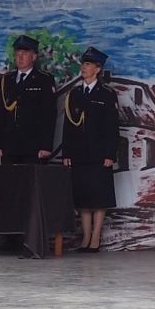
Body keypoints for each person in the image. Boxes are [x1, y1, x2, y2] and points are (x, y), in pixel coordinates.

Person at [61, 47, 119, 253]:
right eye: (83, 64)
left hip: (99, 154)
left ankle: (96, 237)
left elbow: (112, 127)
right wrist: (66, 153)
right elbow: (68, 126)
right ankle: (85, 237)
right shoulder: (74, 94)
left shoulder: (107, 94)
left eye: (87, 64)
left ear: (98, 69)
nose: (83, 68)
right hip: (78, 153)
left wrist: (110, 154)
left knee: (99, 197)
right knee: (83, 197)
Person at [0, 34, 57, 165]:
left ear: (34, 57)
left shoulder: (44, 79)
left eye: (25, 53)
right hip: (9, 145)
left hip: (34, 147)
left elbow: (49, 114)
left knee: (32, 178)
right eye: (18, 53)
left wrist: (46, 145)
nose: (20, 57)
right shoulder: (7, 79)